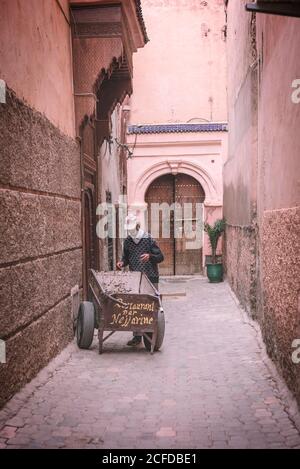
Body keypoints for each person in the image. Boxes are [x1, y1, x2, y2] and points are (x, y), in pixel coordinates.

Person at [117, 214, 164, 346]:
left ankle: (151, 334)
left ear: (137, 226)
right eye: (128, 229)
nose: (130, 231)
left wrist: (150, 256)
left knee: (150, 307)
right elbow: (125, 258)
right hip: (135, 279)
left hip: (150, 277)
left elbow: (160, 257)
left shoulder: (148, 239)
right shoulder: (127, 241)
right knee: (135, 307)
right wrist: (121, 263)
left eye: (132, 228)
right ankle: (137, 336)